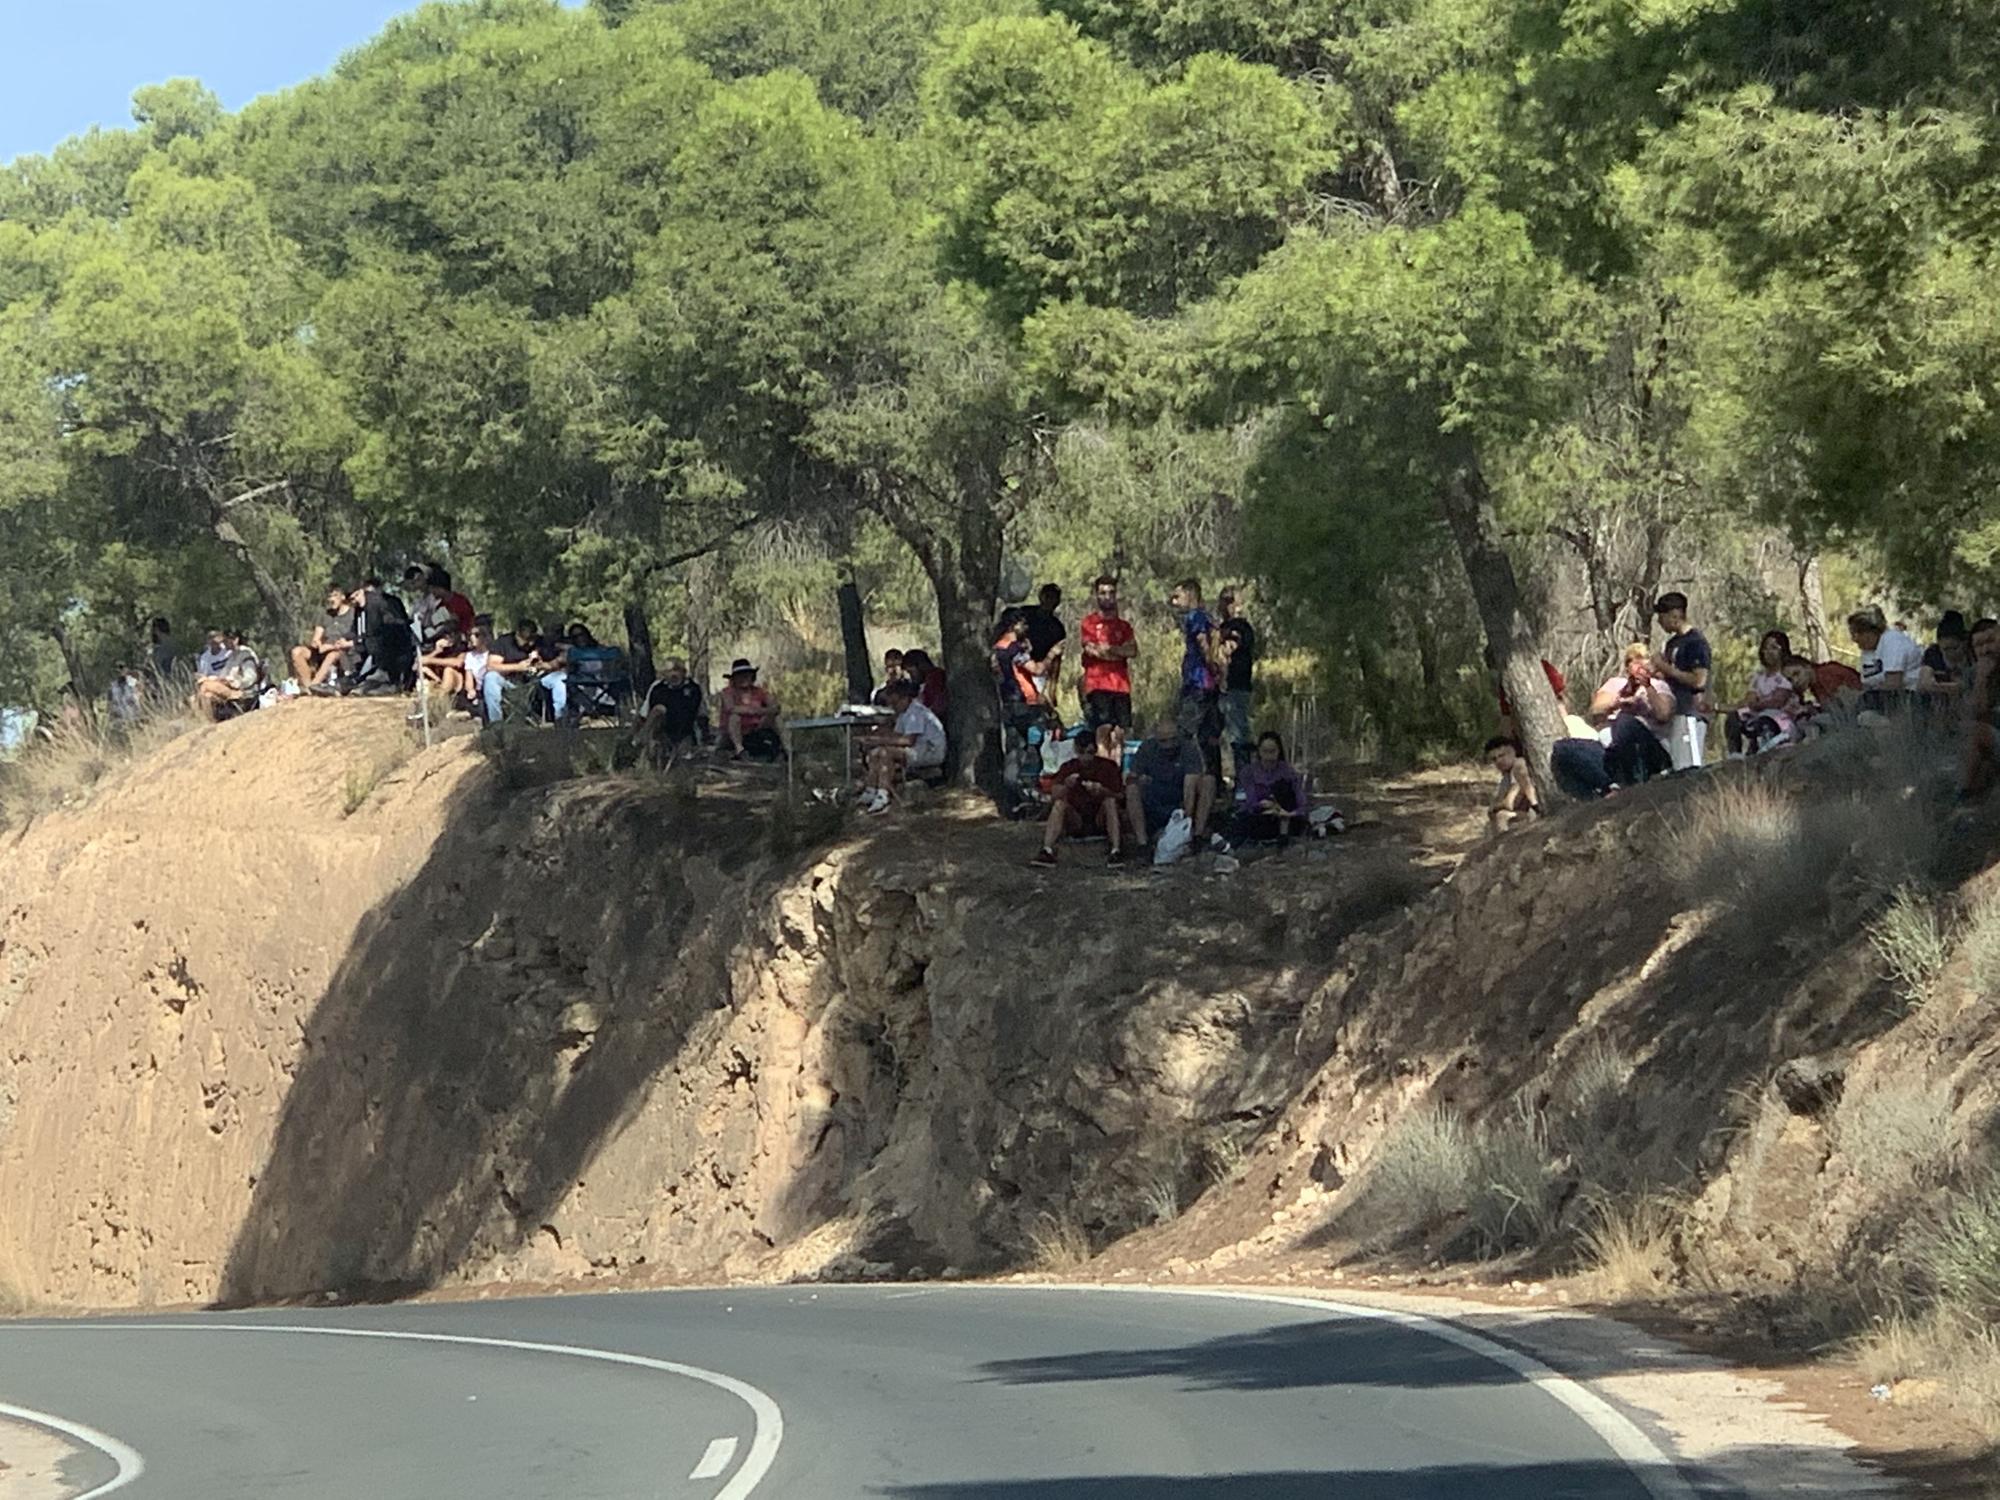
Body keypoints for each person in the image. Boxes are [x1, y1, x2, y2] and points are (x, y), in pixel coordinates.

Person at [1030, 727, 1125, 868]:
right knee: (1059, 804)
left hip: (1100, 818)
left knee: (1110, 802)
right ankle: (1047, 850)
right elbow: (1054, 795)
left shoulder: (1108, 767)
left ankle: (1116, 851)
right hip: (1076, 819)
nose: (1086, 758)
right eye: (1082, 753)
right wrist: (1066, 786)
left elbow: (1121, 796)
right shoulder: (1068, 767)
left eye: (1090, 753)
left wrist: (1103, 791)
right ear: (1075, 750)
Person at [1586, 643, 1674, 787]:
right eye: (1632, 660)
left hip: (1649, 746)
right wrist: (1616, 703)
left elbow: (1663, 714)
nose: (1638, 663)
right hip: (1612, 748)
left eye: (1642, 658)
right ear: (1627, 667)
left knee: (1625, 721)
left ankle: (1637, 778)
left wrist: (1647, 688)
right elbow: (1595, 710)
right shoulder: (1616, 684)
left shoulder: (1659, 686)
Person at [1125, 714, 1216, 849]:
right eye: (1163, 741)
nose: (1168, 745)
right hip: (1155, 796)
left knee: (1208, 781)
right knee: (1132, 789)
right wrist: (1139, 779)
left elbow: (1190, 784)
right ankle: (1142, 843)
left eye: (1172, 740)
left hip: (1179, 795)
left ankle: (1197, 836)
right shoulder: (1147, 748)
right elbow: (1131, 777)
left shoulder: (1188, 748)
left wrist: (1184, 821)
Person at [858, 679, 948, 814]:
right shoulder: (903, 714)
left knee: (885, 753)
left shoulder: (915, 712)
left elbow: (908, 740)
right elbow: (896, 736)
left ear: (905, 698)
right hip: (918, 749)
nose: (893, 707)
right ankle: (871, 789)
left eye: (895, 703)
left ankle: (883, 794)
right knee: (875, 753)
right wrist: (875, 738)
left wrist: (878, 740)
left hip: (930, 750)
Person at [1652, 592, 1712, 771]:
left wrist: (1665, 667)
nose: (1659, 622)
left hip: (1690, 713)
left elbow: (1699, 680)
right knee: (1676, 766)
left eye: (1661, 617)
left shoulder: (1695, 642)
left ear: (1675, 615)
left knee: (1689, 768)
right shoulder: (1672, 644)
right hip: (1674, 713)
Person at [1724, 629, 1801, 757]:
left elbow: (1778, 701)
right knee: (1734, 718)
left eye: (1774, 648)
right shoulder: (1759, 677)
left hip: (1780, 719)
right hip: (1758, 713)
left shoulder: (1787, 674)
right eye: (1766, 648)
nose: (1769, 652)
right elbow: (1749, 699)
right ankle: (1735, 754)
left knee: (1765, 722)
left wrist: (1758, 703)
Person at [1079, 575, 1138, 739]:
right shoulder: (1089, 623)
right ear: (1096, 595)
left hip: (1120, 685)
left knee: (1121, 733)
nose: (1107, 597)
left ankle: (1116, 765)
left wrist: (1109, 649)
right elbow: (1092, 650)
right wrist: (1118, 653)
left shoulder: (1124, 626)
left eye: (1111, 592)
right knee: (1102, 732)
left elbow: (1132, 650)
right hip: (1098, 685)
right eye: (1103, 593)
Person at [481, 618, 568, 723]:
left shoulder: (540, 642)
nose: (530, 643)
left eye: (532, 639)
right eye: (526, 639)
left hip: (536, 681)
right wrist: (517, 667)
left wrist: (544, 664)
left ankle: (560, 717)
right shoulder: (504, 642)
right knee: (490, 677)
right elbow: (491, 666)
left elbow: (559, 657)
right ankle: (496, 722)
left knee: (560, 678)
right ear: (517, 634)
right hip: (511, 682)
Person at [1230, 731, 1310, 842]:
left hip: (1285, 817)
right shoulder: (1248, 772)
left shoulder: (1288, 772)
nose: (1269, 756)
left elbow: (1301, 801)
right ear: (1259, 751)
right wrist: (1261, 806)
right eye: (1265, 751)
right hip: (1257, 817)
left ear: (1278, 751)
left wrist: (1287, 812)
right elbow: (1242, 801)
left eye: (1272, 751)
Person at [1849, 605, 1924, 711]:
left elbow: (1893, 683)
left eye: (1857, 633)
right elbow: (1867, 683)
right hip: (1880, 697)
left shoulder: (1892, 641)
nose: (1854, 639)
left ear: (1872, 631)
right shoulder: (1868, 651)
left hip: (1908, 697)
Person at [1216, 588, 1257, 780]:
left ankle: (1245, 779)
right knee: (1217, 733)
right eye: (1223, 601)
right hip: (1222, 688)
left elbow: (1230, 647)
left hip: (1236, 687)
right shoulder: (1222, 626)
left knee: (1238, 734)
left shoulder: (1240, 627)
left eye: (1229, 601)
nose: (1225, 605)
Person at [633, 658, 706, 763]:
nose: (673, 674)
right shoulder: (657, 688)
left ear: (684, 672)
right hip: (661, 730)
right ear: (664, 674)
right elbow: (644, 714)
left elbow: (702, 715)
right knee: (658, 710)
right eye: (669, 671)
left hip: (685, 731)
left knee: (683, 761)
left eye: (677, 670)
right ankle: (642, 746)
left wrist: (703, 739)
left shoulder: (694, 689)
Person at [290, 585, 359, 690]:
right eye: (329, 597)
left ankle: (314, 684)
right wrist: (316, 642)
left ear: (343, 597)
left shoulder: (353, 614)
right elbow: (317, 637)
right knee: (297, 652)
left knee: (332, 655)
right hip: (323, 650)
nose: (331, 600)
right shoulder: (325, 615)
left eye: (335, 596)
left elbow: (355, 638)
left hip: (343, 652)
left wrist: (333, 646)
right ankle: (307, 685)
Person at [1959, 617, 1998, 801]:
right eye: (1979, 646)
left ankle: (1965, 796)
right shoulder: (1972, 675)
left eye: (1990, 641)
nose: (1986, 650)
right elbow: (1976, 713)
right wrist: (1982, 679)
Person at [191, 629, 264, 721]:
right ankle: (211, 721)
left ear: (235, 640)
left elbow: (251, 678)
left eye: (226, 641)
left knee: (206, 686)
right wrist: (215, 679)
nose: (224, 644)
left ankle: (213, 718)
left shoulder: (245, 654)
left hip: (243, 691)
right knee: (203, 696)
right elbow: (224, 674)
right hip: (229, 687)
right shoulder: (232, 656)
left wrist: (235, 682)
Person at [718, 658, 784, 760]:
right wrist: (754, 710)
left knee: (777, 718)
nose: (743, 678)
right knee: (734, 718)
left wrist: (762, 713)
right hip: (732, 733)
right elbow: (731, 708)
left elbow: (775, 707)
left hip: (755, 729)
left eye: (746, 675)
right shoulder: (727, 692)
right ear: (734, 678)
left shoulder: (760, 691)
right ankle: (739, 749)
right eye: (740, 675)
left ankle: (787, 749)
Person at [1485, 736, 1541, 833]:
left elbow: (1509, 803)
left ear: (1513, 752)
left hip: (1535, 812)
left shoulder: (1519, 766)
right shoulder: (1506, 777)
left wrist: (1495, 807)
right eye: (1494, 759)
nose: (1498, 761)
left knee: (1501, 817)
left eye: (1502, 756)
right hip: (1524, 813)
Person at [1023, 584, 1067, 705]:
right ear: (1041, 597)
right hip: (1018, 668)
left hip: (1040, 674)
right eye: (1047, 596)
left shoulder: (1057, 628)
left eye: (1054, 598)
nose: (1050, 601)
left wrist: (1052, 689)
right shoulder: (1025, 614)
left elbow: (1056, 660)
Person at [1920, 612, 1973, 698]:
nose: (1950, 654)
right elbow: (1924, 683)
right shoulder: (1933, 653)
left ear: (1964, 642)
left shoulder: (1972, 652)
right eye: (1945, 649)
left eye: (1954, 648)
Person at [901, 649, 949, 719]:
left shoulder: (936, 678)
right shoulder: (928, 680)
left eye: (911, 672)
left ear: (920, 666)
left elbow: (934, 708)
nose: (911, 676)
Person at [107, 664, 144, 729]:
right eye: (118, 670)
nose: (120, 672)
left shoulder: (132, 682)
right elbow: (110, 704)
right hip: (120, 720)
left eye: (122, 669)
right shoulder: (113, 686)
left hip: (134, 718)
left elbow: (140, 692)